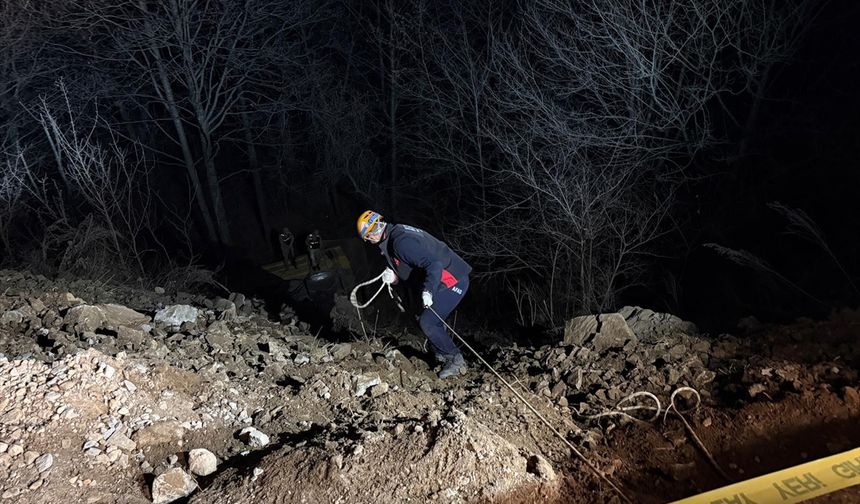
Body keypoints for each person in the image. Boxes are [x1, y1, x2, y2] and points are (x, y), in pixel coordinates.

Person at [356, 210, 471, 379]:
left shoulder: (400, 242)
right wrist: (395, 278)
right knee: (420, 316)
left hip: (453, 279)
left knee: (428, 321)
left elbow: (434, 264)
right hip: (442, 278)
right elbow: (411, 268)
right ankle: (440, 350)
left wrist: (428, 291)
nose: (369, 242)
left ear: (371, 235)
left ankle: (455, 359)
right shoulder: (393, 236)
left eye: (367, 238)